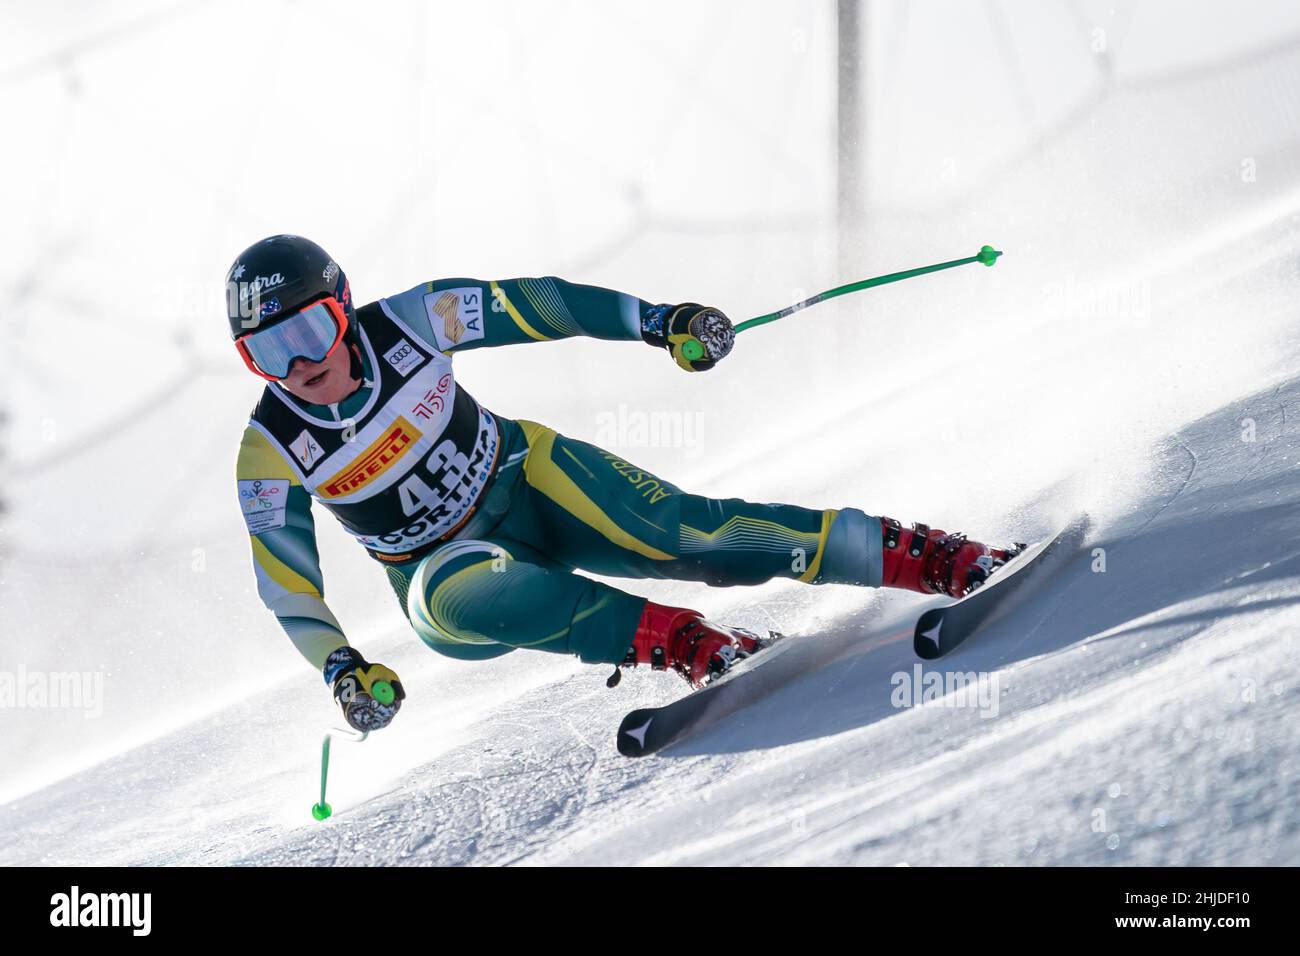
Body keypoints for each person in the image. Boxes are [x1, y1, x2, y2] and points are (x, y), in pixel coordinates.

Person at [230, 235, 1012, 732]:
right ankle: (684, 641)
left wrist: (659, 321)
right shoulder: (269, 450)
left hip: (525, 476)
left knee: (689, 535)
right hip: (442, 569)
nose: (300, 365)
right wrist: (344, 673)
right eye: (268, 353)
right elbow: (289, 587)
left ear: (344, 309)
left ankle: (932, 556)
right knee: (455, 596)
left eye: (309, 330)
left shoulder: (414, 320)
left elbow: (543, 305)